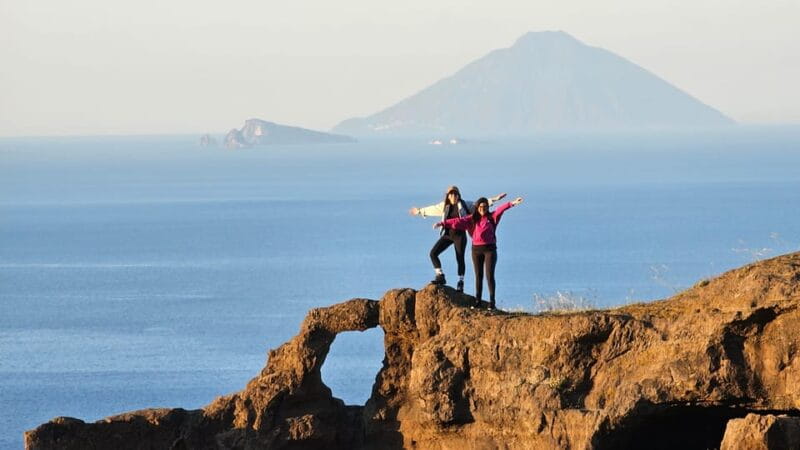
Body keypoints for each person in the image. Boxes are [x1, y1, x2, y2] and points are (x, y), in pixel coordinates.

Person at [434, 196, 524, 310]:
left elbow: (501, 209)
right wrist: (443, 223)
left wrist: (512, 203)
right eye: (480, 207)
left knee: (489, 276)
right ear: (477, 208)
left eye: (485, 206)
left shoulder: (492, 217)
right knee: (478, 276)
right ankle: (478, 301)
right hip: (476, 250)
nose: (483, 208)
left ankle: (492, 302)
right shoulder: (472, 219)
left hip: (490, 250)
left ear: (487, 207)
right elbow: (458, 221)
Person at [410, 187, 506, 291]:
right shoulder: (444, 206)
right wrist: (419, 211)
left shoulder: (464, 205)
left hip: (460, 236)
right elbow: (432, 209)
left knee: (460, 258)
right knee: (433, 253)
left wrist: (495, 199)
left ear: (458, 195)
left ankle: (461, 282)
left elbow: (479, 204)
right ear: (448, 196)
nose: (454, 197)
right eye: (451, 194)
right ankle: (440, 275)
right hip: (447, 235)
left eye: (456, 194)